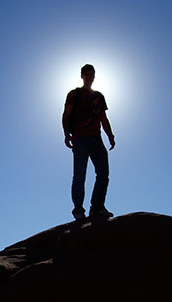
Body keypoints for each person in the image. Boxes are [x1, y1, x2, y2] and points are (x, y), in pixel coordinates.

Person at [62, 64, 115, 220]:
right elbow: (66, 114)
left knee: (103, 174)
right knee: (79, 176)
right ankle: (78, 211)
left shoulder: (99, 96)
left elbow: (103, 118)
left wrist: (110, 136)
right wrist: (66, 134)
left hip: (96, 139)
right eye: (86, 74)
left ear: (94, 76)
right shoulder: (74, 94)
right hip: (80, 139)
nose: (89, 77)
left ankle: (97, 208)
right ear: (82, 76)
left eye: (92, 74)